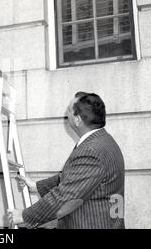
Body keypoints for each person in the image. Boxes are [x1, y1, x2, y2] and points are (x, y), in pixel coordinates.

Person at [7, 92, 125, 229]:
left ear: (78, 120)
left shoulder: (91, 151)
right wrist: (35, 186)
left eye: (69, 110)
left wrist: (24, 216)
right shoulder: (103, 141)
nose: (66, 114)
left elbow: (65, 197)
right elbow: (73, 178)